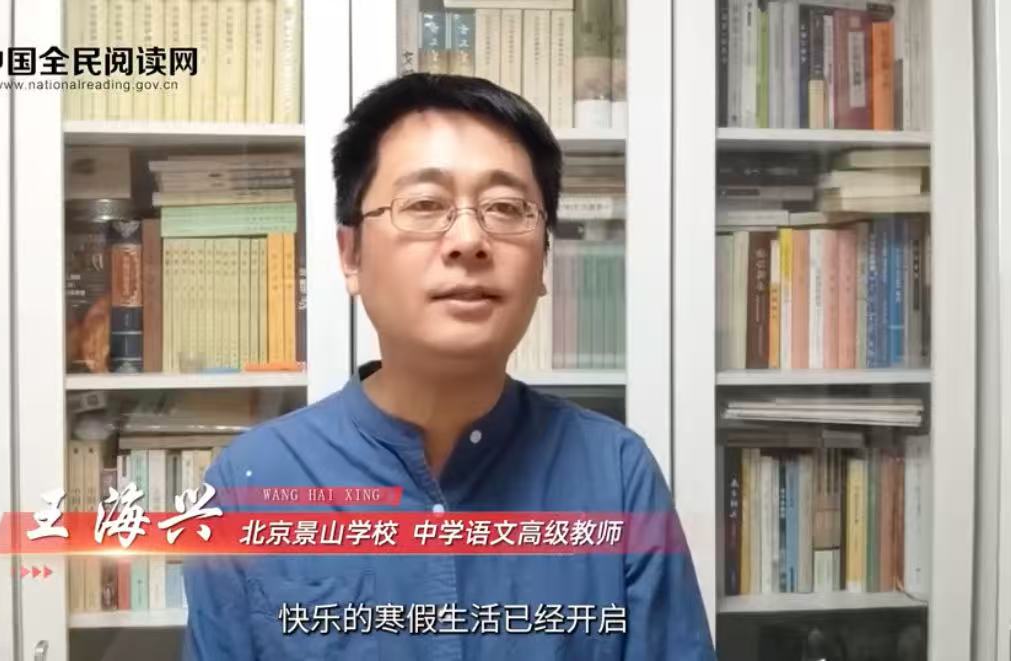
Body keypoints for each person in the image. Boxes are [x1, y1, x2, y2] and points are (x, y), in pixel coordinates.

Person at [182, 73, 715, 660]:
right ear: (351, 255)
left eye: (506, 208)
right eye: (425, 204)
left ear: (543, 263)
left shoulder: (616, 475)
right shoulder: (249, 485)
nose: (468, 240)